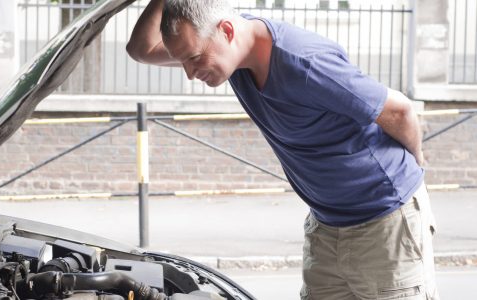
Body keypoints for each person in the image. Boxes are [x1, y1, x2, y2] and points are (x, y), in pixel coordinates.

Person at [126, 0, 439, 299]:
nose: (190, 73)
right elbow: (141, 49)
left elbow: (399, 111)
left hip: (385, 224)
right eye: (183, 61)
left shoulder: (304, 62)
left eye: (194, 58)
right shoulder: (229, 55)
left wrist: (416, 170)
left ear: (227, 31)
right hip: (327, 225)